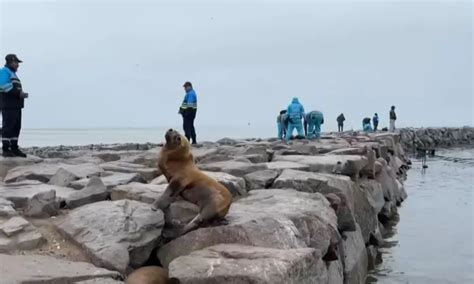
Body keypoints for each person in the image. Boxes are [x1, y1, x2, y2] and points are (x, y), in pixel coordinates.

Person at [0, 54, 28, 157]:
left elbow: (13, 87)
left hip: (16, 105)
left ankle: (14, 147)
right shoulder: (4, 71)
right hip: (8, 105)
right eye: (16, 62)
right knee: (8, 127)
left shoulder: (12, 74)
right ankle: (6, 149)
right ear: (11, 62)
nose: (17, 65)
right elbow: (2, 85)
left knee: (16, 127)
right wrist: (18, 93)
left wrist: (21, 94)